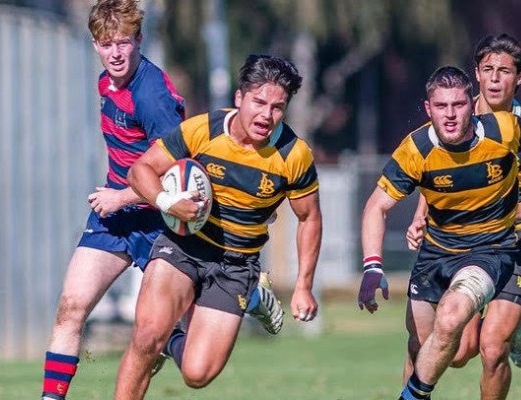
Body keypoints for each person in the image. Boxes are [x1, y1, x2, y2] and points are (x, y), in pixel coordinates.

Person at [114, 54, 323, 399]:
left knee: (197, 374)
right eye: (258, 102)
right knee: (147, 335)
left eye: (277, 107)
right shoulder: (204, 130)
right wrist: (168, 202)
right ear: (239, 98)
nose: (265, 115)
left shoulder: (293, 154)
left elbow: (309, 217)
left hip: (236, 266)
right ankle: (161, 338)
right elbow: (140, 171)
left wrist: (303, 285)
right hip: (183, 247)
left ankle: (249, 297)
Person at [39, 1, 187, 399]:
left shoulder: (152, 95)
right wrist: (118, 200)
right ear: (94, 45)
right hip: (115, 216)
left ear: (139, 39)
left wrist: (122, 196)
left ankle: (249, 289)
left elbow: (178, 169)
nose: (116, 53)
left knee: (167, 335)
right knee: (71, 307)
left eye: (123, 42)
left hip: (158, 220)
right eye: (107, 45)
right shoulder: (106, 81)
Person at [358, 65, 521, 399]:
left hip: (491, 250)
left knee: (452, 319)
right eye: (442, 106)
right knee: (423, 346)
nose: (450, 115)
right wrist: (373, 266)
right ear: (428, 108)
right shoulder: (415, 150)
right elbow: (376, 207)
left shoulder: (504, 131)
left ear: (471, 106)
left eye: (458, 105)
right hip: (435, 254)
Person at [404, 34, 521, 397]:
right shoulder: (456, 112)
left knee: (492, 348)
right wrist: (420, 215)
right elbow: (438, 173)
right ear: (477, 73)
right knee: (459, 350)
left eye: (504, 70)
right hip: (465, 248)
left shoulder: (516, 125)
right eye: (488, 69)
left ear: (518, 78)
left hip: (513, 247)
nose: (495, 78)